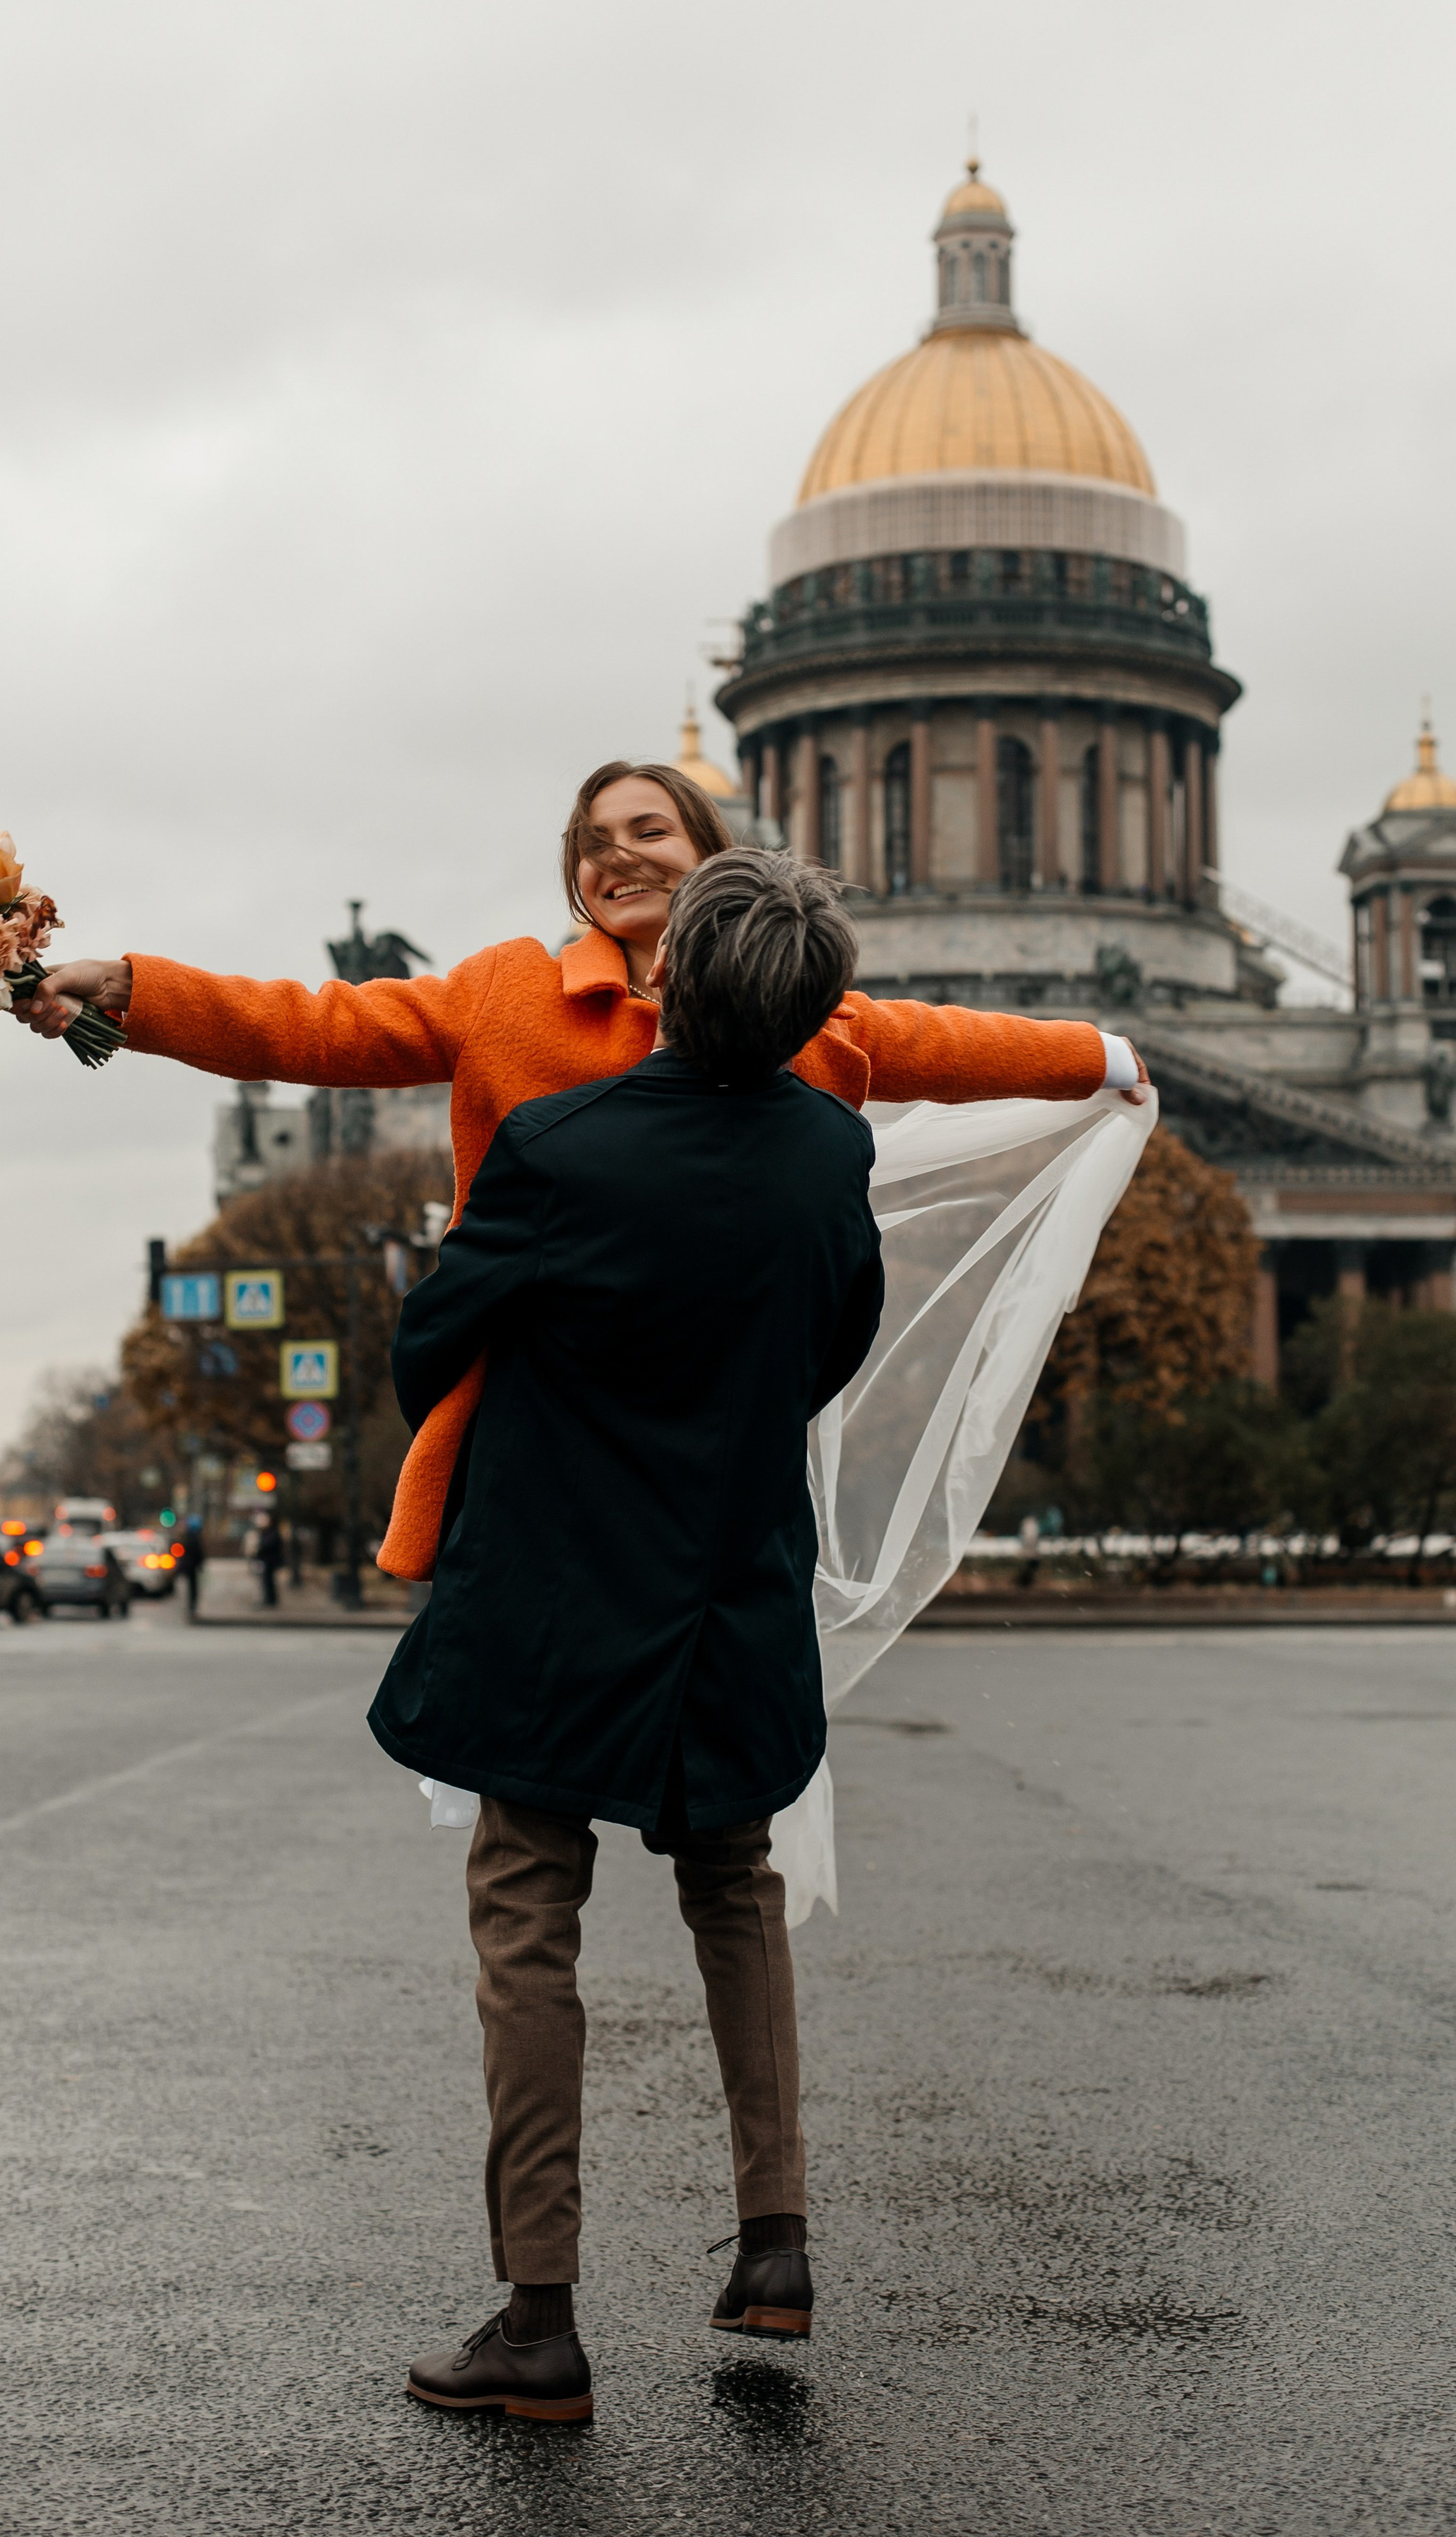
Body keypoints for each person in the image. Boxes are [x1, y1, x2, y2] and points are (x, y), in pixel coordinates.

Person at [19, 757, 1147, 1588]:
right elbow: (312, 1027)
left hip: (715, 1439)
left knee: (720, 1817)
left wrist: (1098, 1057)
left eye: (649, 830)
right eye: (592, 844)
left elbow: (944, 1043)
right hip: (541, 1434)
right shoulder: (507, 997)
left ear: (717, 857)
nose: (615, 855)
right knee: (529, 1816)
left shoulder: (808, 1016)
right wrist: (126, 983)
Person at [373, 850, 884, 2425]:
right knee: (736, 1892)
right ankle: (773, 2243)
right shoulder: (826, 1154)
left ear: (666, 982)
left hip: (551, 1599)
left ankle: (538, 2321)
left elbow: (431, 1345)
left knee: (529, 1923)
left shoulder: (555, 1144)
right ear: (805, 1004)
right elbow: (835, 1340)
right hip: (729, 1596)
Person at [177, 1513, 204, 1621]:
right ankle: (192, 1608)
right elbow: (198, 1554)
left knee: (191, 1588)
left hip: (188, 1567)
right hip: (191, 1567)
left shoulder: (188, 1537)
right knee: (192, 1589)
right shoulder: (193, 1538)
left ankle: (191, 1607)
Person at [254, 1511, 283, 1609]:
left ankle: (270, 1600)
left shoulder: (272, 1533)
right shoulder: (266, 1532)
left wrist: (258, 1549)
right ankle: (269, 1599)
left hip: (269, 1561)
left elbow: (268, 1546)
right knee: (266, 1581)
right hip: (266, 1560)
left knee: (268, 1581)